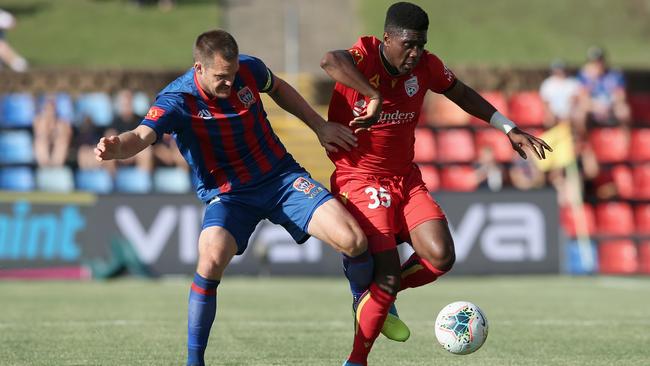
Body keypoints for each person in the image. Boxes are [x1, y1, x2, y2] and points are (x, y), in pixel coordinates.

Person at [94, 29, 370, 366]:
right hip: (230, 194)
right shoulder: (177, 100)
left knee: (354, 240)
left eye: (233, 74)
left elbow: (279, 87)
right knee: (210, 259)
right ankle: (194, 362)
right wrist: (116, 148)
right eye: (221, 78)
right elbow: (139, 135)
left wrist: (318, 125)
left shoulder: (249, 70)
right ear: (199, 68)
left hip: (281, 177)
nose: (230, 83)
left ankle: (365, 304)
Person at [320, 3, 552, 365]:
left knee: (441, 256)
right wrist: (374, 95)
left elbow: (459, 92)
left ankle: (381, 291)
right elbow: (330, 61)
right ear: (387, 39)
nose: (416, 53)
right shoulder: (363, 55)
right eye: (409, 44)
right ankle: (357, 359)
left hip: (406, 179)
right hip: (360, 178)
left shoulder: (426, 66)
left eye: (421, 45)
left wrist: (510, 128)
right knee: (385, 274)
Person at [574, 46, 631, 135]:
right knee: (579, 115)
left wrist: (609, 106)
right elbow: (582, 97)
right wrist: (592, 80)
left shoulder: (615, 74)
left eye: (599, 61)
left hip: (611, 106)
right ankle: (583, 142)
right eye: (594, 61)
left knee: (624, 111)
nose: (597, 64)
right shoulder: (584, 76)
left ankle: (626, 141)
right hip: (593, 107)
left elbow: (621, 96)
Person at [539, 59, 580, 128]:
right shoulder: (548, 84)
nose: (560, 71)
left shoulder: (573, 83)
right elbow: (545, 102)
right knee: (548, 120)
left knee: (577, 118)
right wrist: (550, 114)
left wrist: (568, 114)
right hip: (553, 114)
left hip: (569, 114)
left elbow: (575, 101)